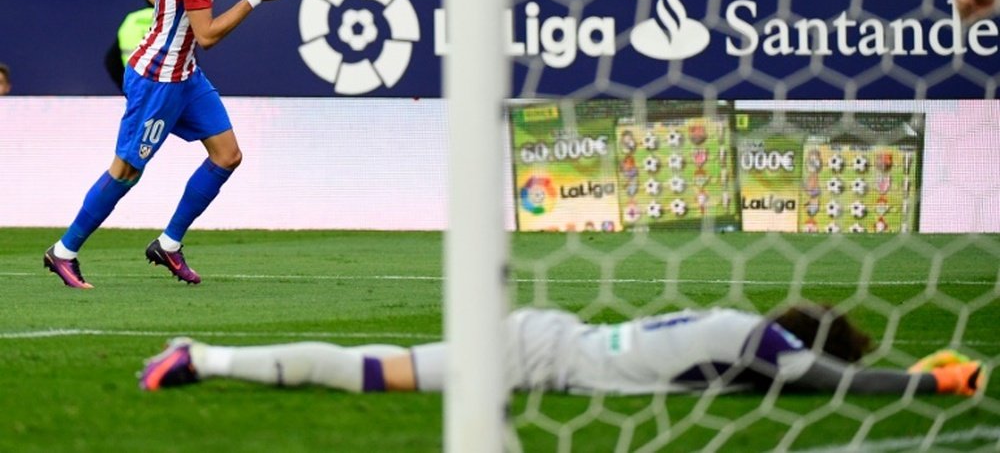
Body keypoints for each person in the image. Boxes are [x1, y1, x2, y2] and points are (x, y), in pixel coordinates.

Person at [43, 0, 299, 290]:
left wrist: (170, 10)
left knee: (227, 154)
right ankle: (64, 251)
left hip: (185, 75)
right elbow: (208, 35)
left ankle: (169, 243)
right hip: (158, 80)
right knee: (126, 171)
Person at [138, 303, 986, 398]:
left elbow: (813, 376)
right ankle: (207, 357)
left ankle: (204, 355)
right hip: (536, 360)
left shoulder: (739, 327)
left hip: (540, 336)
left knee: (376, 366)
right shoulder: (756, 344)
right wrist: (935, 384)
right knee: (375, 376)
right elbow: (829, 384)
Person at [103, 4, 155, 91]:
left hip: (137, 87)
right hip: (169, 87)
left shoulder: (132, 19)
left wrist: (127, 90)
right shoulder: (177, 18)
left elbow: (111, 61)